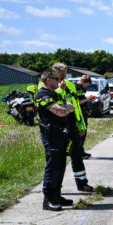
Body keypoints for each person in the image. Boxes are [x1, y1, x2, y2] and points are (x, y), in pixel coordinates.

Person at [35, 69, 75, 211]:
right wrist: (65, 108)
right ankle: (48, 199)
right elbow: (60, 110)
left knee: (60, 167)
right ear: (48, 79)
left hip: (61, 135)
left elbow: (71, 107)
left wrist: (65, 107)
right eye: (56, 79)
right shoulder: (42, 95)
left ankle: (57, 195)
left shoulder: (55, 94)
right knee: (52, 168)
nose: (59, 81)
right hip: (51, 136)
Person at [52, 63, 94, 192]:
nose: (63, 75)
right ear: (54, 73)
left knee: (77, 154)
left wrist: (81, 125)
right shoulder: (47, 84)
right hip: (57, 126)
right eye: (60, 73)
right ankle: (56, 188)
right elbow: (52, 103)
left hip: (71, 124)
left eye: (64, 73)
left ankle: (82, 183)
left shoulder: (70, 84)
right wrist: (60, 89)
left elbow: (76, 105)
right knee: (58, 158)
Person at [76, 75, 92, 159]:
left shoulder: (82, 88)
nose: (87, 87)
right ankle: (78, 153)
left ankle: (81, 151)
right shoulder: (75, 88)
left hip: (83, 112)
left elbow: (81, 98)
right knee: (80, 133)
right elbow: (76, 102)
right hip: (78, 114)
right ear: (82, 82)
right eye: (87, 85)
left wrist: (86, 98)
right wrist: (86, 100)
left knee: (84, 133)